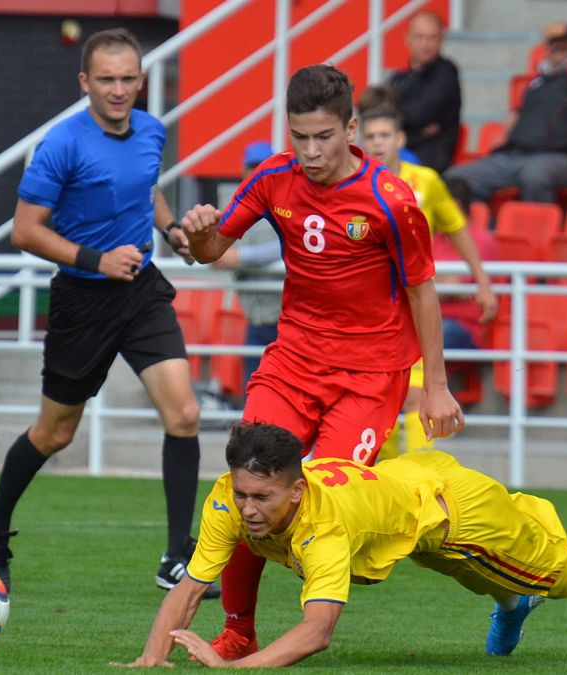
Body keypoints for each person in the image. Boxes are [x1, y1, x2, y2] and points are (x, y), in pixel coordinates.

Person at [178, 64, 465, 660]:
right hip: (294, 362)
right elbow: (211, 252)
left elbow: (423, 290)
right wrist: (199, 232)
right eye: (299, 136)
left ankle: (482, 574)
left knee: (326, 505)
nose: (309, 152)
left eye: (323, 137)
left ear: (350, 128)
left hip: (369, 377)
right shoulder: (273, 178)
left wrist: (435, 387)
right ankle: (238, 631)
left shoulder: (391, 200)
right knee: (251, 486)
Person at [0, 28, 217, 599]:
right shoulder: (62, 144)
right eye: (106, 79)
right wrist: (96, 259)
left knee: (184, 414)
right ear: (85, 82)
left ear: (142, 79)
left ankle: (176, 559)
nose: (118, 89)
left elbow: (145, 190)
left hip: (141, 290)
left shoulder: (152, 131)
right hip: (83, 299)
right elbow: (25, 231)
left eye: (128, 78)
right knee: (56, 432)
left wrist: (172, 228)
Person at [123, 422, 567, 667]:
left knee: (558, 575)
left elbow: (317, 632)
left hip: (454, 511)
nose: (249, 508)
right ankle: (512, 603)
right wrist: (152, 656)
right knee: (467, 575)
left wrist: (236, 670)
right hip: (407, 506)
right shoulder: (226, 496)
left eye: (263, 497)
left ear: (297, 489)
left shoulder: (323, 528)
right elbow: (192, 586)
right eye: (243, 493)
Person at [358, 104, 497, 458]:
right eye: (370, 136)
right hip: (369, 310)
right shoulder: (353, 183)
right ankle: (384, 484)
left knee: (418, 394)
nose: (377, 143)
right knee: (380, 403)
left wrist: (482, 281)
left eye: (384, 135)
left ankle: (425, 484)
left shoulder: (427, 181)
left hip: (416, 305)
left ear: (400, 139)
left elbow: (457, 227)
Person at [444, 22, 567, 205]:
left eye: (564, 45)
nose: (557, 49)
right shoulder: (538, 83)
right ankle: (482, 228)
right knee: (457, 178)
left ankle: (537, 230)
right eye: (554, 44)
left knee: (534, 174)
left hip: (563, 158)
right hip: (514, 155)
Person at [210, 141, 284, 394]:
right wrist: (213, 252)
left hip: (287, 320)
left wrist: (240, 257)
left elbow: (286, 249)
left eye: (262, 166)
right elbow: (218, 249)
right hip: (254, 318)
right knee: (254, 396)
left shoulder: (286, 202)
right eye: (251, 167)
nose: (256, 173)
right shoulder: (238, 205)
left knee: (288, 397)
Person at [388, 10, 462, 174]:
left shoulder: (447, 73)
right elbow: (378, 110)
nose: (425, 44)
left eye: (432, 37)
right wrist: (418, 131)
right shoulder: (399, 78)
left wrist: (400, 120)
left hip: (430, 158)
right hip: (401, 150)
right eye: (419, 37)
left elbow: (418, 114)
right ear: (407, 38)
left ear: (441, 40)